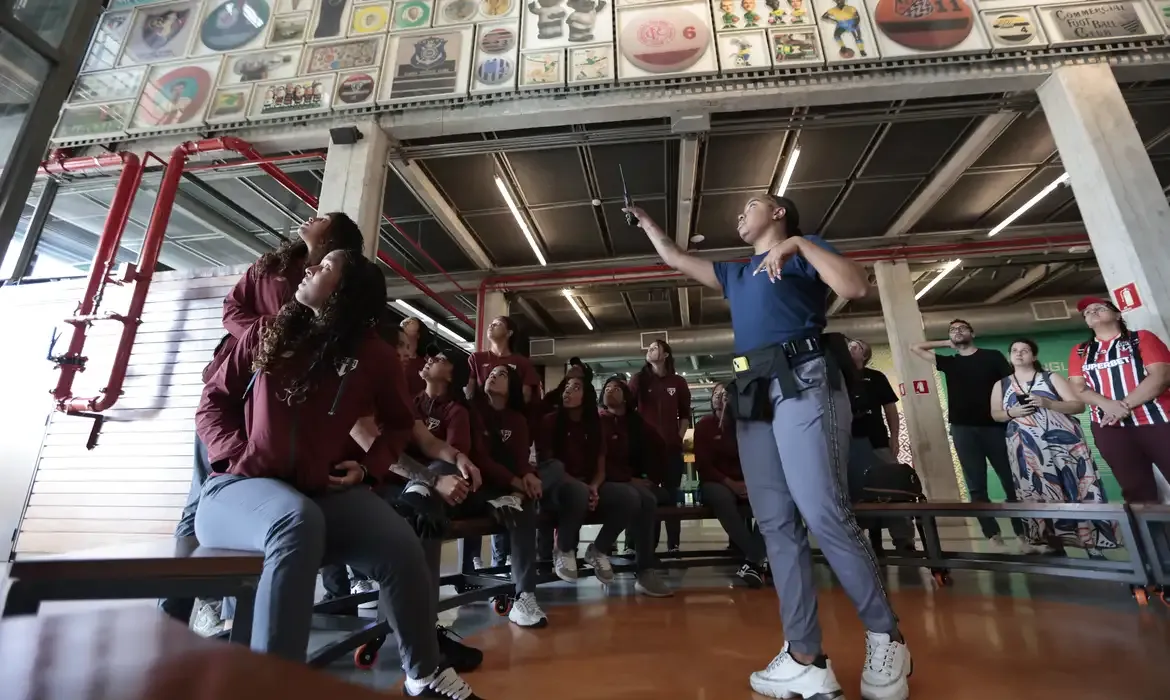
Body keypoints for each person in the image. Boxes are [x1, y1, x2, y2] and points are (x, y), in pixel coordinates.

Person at [624, 194, 910, 700]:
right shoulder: (736, 274)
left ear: (779, 214)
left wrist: (798, 244)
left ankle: (886, 636)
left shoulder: (805, 249)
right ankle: (805, 657)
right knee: (776, 522)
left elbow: (855, 285)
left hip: (804, 377)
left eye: (751, 205)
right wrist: (647, 222)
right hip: (752, 391)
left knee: (824, 511)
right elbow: (672, 255)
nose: (739, 214)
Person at [194, 248, 484, 700]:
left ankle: (424, 676)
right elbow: (214, 402)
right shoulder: (268, 330)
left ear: (347, 293)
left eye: (325, 267)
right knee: (295, 521)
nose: (309, 269)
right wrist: (239, 453)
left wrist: (368, 468)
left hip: (314, 490)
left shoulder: (375, 357)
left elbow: (398, 423)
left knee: (400, 544)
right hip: (237, 491)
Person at [160, 212, 365, 632]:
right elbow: (232, 308)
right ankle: (178, 609)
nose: (311, 215)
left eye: (323, 218)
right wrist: (270, 334)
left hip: (281, 409)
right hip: (238, 392)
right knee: (201, 500)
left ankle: (256, 613)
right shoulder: (270, 267)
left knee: (280, 508)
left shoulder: (339, 313)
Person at [535, 376, 673, 597]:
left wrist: (595, 486)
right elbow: (550, 465)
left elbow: (600, 464)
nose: (568, 391)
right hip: (562, 486)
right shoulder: (552, 421)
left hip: (594, 483)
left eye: (576, 387)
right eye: (566, 388)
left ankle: (600, 550)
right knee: (581, 491)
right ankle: (563, 548)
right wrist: (588, 486)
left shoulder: (597, 424)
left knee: (635, 498)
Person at [990, 338, 1116, 556]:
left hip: (1063, 444)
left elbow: (1077, 406)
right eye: (1014, 351)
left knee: (1074, 486)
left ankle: (1091, 543)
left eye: (1025, 350)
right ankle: (1050, 543)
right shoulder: (1001, 384)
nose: (1019, 354)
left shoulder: (1050, 377)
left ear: (1034, 356)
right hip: (1026, 447)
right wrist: (1012, 413)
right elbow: (995, 414)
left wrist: (1048, 403)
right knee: (1037, 489)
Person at [911, 319, 1026, 548]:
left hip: (995, 426)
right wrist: (947, 342)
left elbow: (1011, 384)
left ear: (972, 333)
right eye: (953, 330)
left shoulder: (992, 356)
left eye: (962, 328)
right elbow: (915, 347)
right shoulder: (949, 362)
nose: (957, 332)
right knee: (976, 485)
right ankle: (992, 534)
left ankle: (1023, 533)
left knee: (1011, 481)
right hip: (963, 429)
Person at [470, 364, 560, 626]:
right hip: (479, 488)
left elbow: (520, 458)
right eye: (491, 373)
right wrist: (516, 481)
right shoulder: (473, 411)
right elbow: (480, 458)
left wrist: (527, 475)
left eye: (502, 375)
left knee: (543, 480)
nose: (493, 376)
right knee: (523, 498)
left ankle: (524, 597)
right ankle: (516, 498)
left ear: (512, 389)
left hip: (509, 490)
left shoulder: (517, 420)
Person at [1066, 297, 1170, 504]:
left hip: (1157, 420)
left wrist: (1123, 406)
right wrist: (1107, 405)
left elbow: (1161, 376)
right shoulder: (1081, 350)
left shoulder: (1141, 338)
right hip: (1110, 429)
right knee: (1136, 491)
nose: (1092, 312)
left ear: (1117, 314)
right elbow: (1078, 387)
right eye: (1087, 312)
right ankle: (1152, 537)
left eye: (1099, 308)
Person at [597, 375, 676, 596]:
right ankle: (641, 566)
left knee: (654, 496)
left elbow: (659, 448)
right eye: (607, 388)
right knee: (643, 499)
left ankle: (645, 567)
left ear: (626, 397)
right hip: (605, 482)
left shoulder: (636, 423)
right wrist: (628, 479)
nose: (610, 390)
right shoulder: (599, 421)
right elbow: (601, 461)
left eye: (616, 388)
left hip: (630, 482)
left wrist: (652, 477)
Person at [694, 383, 769, 588]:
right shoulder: (704, 426)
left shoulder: (745, 426)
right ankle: (756, 557)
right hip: (715, 483)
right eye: (716, 393)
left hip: (746, 481)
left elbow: (756, 458)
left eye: (725, 393)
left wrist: (748, 483)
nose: (720, 397)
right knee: (721, 497)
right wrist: (731, 484)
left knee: (770, 502)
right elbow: (704, 466)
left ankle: (752, 563)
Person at [846, 339, 915, 554]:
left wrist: (894, 438)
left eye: (856, 346)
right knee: (852, 491)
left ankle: (904, 540)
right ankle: (857, 542)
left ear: (865, 355)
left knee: (892, 489)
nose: (851, 348)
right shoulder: (836, 379)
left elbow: (890, 410)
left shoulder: (876, 378)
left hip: (876, 441)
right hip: (846, 444)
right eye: (848, 345)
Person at [629, 340, 691, 552]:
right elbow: (629, 410)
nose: (649, 351)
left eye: (654, 348)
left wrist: (678, 436)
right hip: (646, 452)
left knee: (672, 495)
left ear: (665, 355)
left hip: (671, 450)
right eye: (648, 348)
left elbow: (684, 414)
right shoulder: (639, 380)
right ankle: (647, 547)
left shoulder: (678, 383)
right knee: (648, 495)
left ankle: (674, 545)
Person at [465, 316, 540, 402]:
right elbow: (469, 393)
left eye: (498, 324)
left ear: (509, 333)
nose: (491, 325)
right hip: (481, 413)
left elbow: (526, 397)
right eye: (491, 323)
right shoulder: (476, 358)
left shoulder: (523, 363)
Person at [399, 316, 432, 397]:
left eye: (411, 322)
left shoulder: (425, 366)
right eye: (405, 321)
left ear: (418, 335)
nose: (406, 322)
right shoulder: (392, 357)